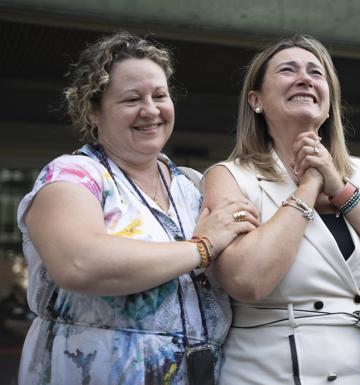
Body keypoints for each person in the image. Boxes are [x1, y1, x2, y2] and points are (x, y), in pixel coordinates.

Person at [17, 31, 258, 385]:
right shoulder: (74, 175)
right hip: (95, 370)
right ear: (93, 111)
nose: (151, 110)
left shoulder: (191, 185)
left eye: (159, 95)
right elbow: (79, 263)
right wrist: (201, 248)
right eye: (131, 99)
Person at [202, 35, 360, 385]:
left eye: (315, 72)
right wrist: (309, 186)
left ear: (328, 103)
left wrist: (340, 190)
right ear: (256, 100)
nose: (304, 78)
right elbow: (247, 280)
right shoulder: (230, 176)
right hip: (268, 375)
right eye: (287, 70)